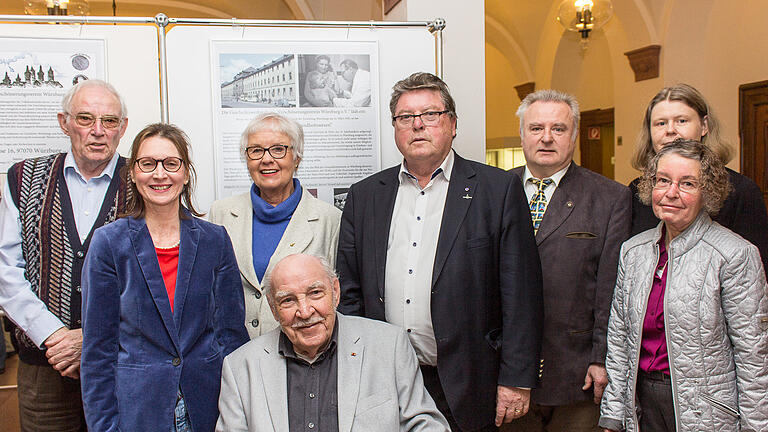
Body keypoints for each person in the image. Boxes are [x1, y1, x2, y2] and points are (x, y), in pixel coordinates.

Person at [337, 72, 544, 432]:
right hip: (384, 379)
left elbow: (521, 294)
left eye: (430, 114)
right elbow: (349, 291)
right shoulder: (365, 195)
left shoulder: (497, 190)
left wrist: (515, 379)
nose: (417, 126)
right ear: (395, 127)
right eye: (405, 117)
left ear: (452, 124)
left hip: (468, 380)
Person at [80, 123, 249, 431]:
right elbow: (98, 351)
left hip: (208, 405)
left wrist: (239, 413)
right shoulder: (109, 243)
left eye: (171, 164)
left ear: (185, 174)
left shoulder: (214, 240)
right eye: (148, 164)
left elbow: (231, 336)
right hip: (139, 410)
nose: (160, 174)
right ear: (133, 173)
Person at [599, 139, 768, 432]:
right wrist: (613, 414)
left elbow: (754, 357)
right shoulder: (633, 251)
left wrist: (756, 427)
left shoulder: (734, 255)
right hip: (641, 407)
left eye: (687, 183)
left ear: (708, 192)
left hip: (707, 412)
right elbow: (619, 339)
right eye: (663, 180)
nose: (671, 193)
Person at [0, 79, 130, 431]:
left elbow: (159, 278)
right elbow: (6, 269)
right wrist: (54, 335)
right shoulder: (23, 178)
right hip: (45, 366)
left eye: (110, 121)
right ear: (64, 122)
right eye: (85, 119)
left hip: (123, 364)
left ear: (123, 128)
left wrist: (90, 338)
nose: (98, 131)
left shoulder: (143, 180)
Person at [506, 90, 631, 432]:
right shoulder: (496, 189)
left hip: (576, 372)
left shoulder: (610, 198)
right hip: (508, 371)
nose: (546, 138)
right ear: (522, 134)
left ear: (574, 135)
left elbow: (612, 290)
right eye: (536, 128)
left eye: (559, 129)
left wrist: (600, 358)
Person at [216, 253, 450, 432]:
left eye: (315, 293)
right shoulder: (240, 367)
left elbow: (426, 425)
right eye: (288, 300)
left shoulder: (389, 346)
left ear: (335, 291)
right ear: (273, 309)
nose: (305, 311)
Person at [210, 113, 341, 338]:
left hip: (302, 354)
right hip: (233, 353)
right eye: (256, 150)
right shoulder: (221, 213)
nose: (267, 159)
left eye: (278, 149)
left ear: (297, 157)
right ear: (247, 158)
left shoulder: (329, 219)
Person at [628, 83, 768, 272]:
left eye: (681, 121)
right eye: (661, 123)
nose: (670, 130)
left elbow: (755, 273)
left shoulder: (741, 191)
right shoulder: (636, 191)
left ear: (704, 126)